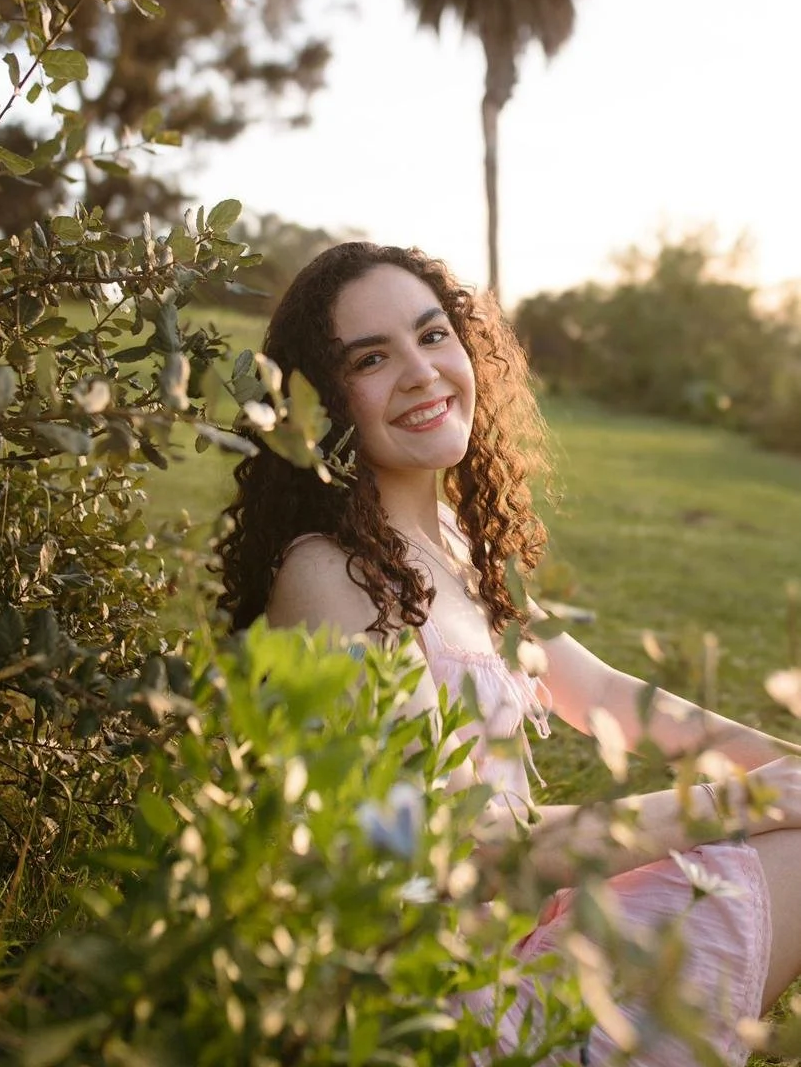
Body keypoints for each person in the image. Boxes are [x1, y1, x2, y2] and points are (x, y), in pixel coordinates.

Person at [219, 242, 801, 1065]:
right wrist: (748, 801)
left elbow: (604, 693)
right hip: (443, 1018)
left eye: (433, 335)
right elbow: (460, 848)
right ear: (322, 401)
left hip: (515, 948)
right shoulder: (331, 575)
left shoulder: (456, 542)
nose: (422, 372)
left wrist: (787, 767)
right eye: (371, 359)